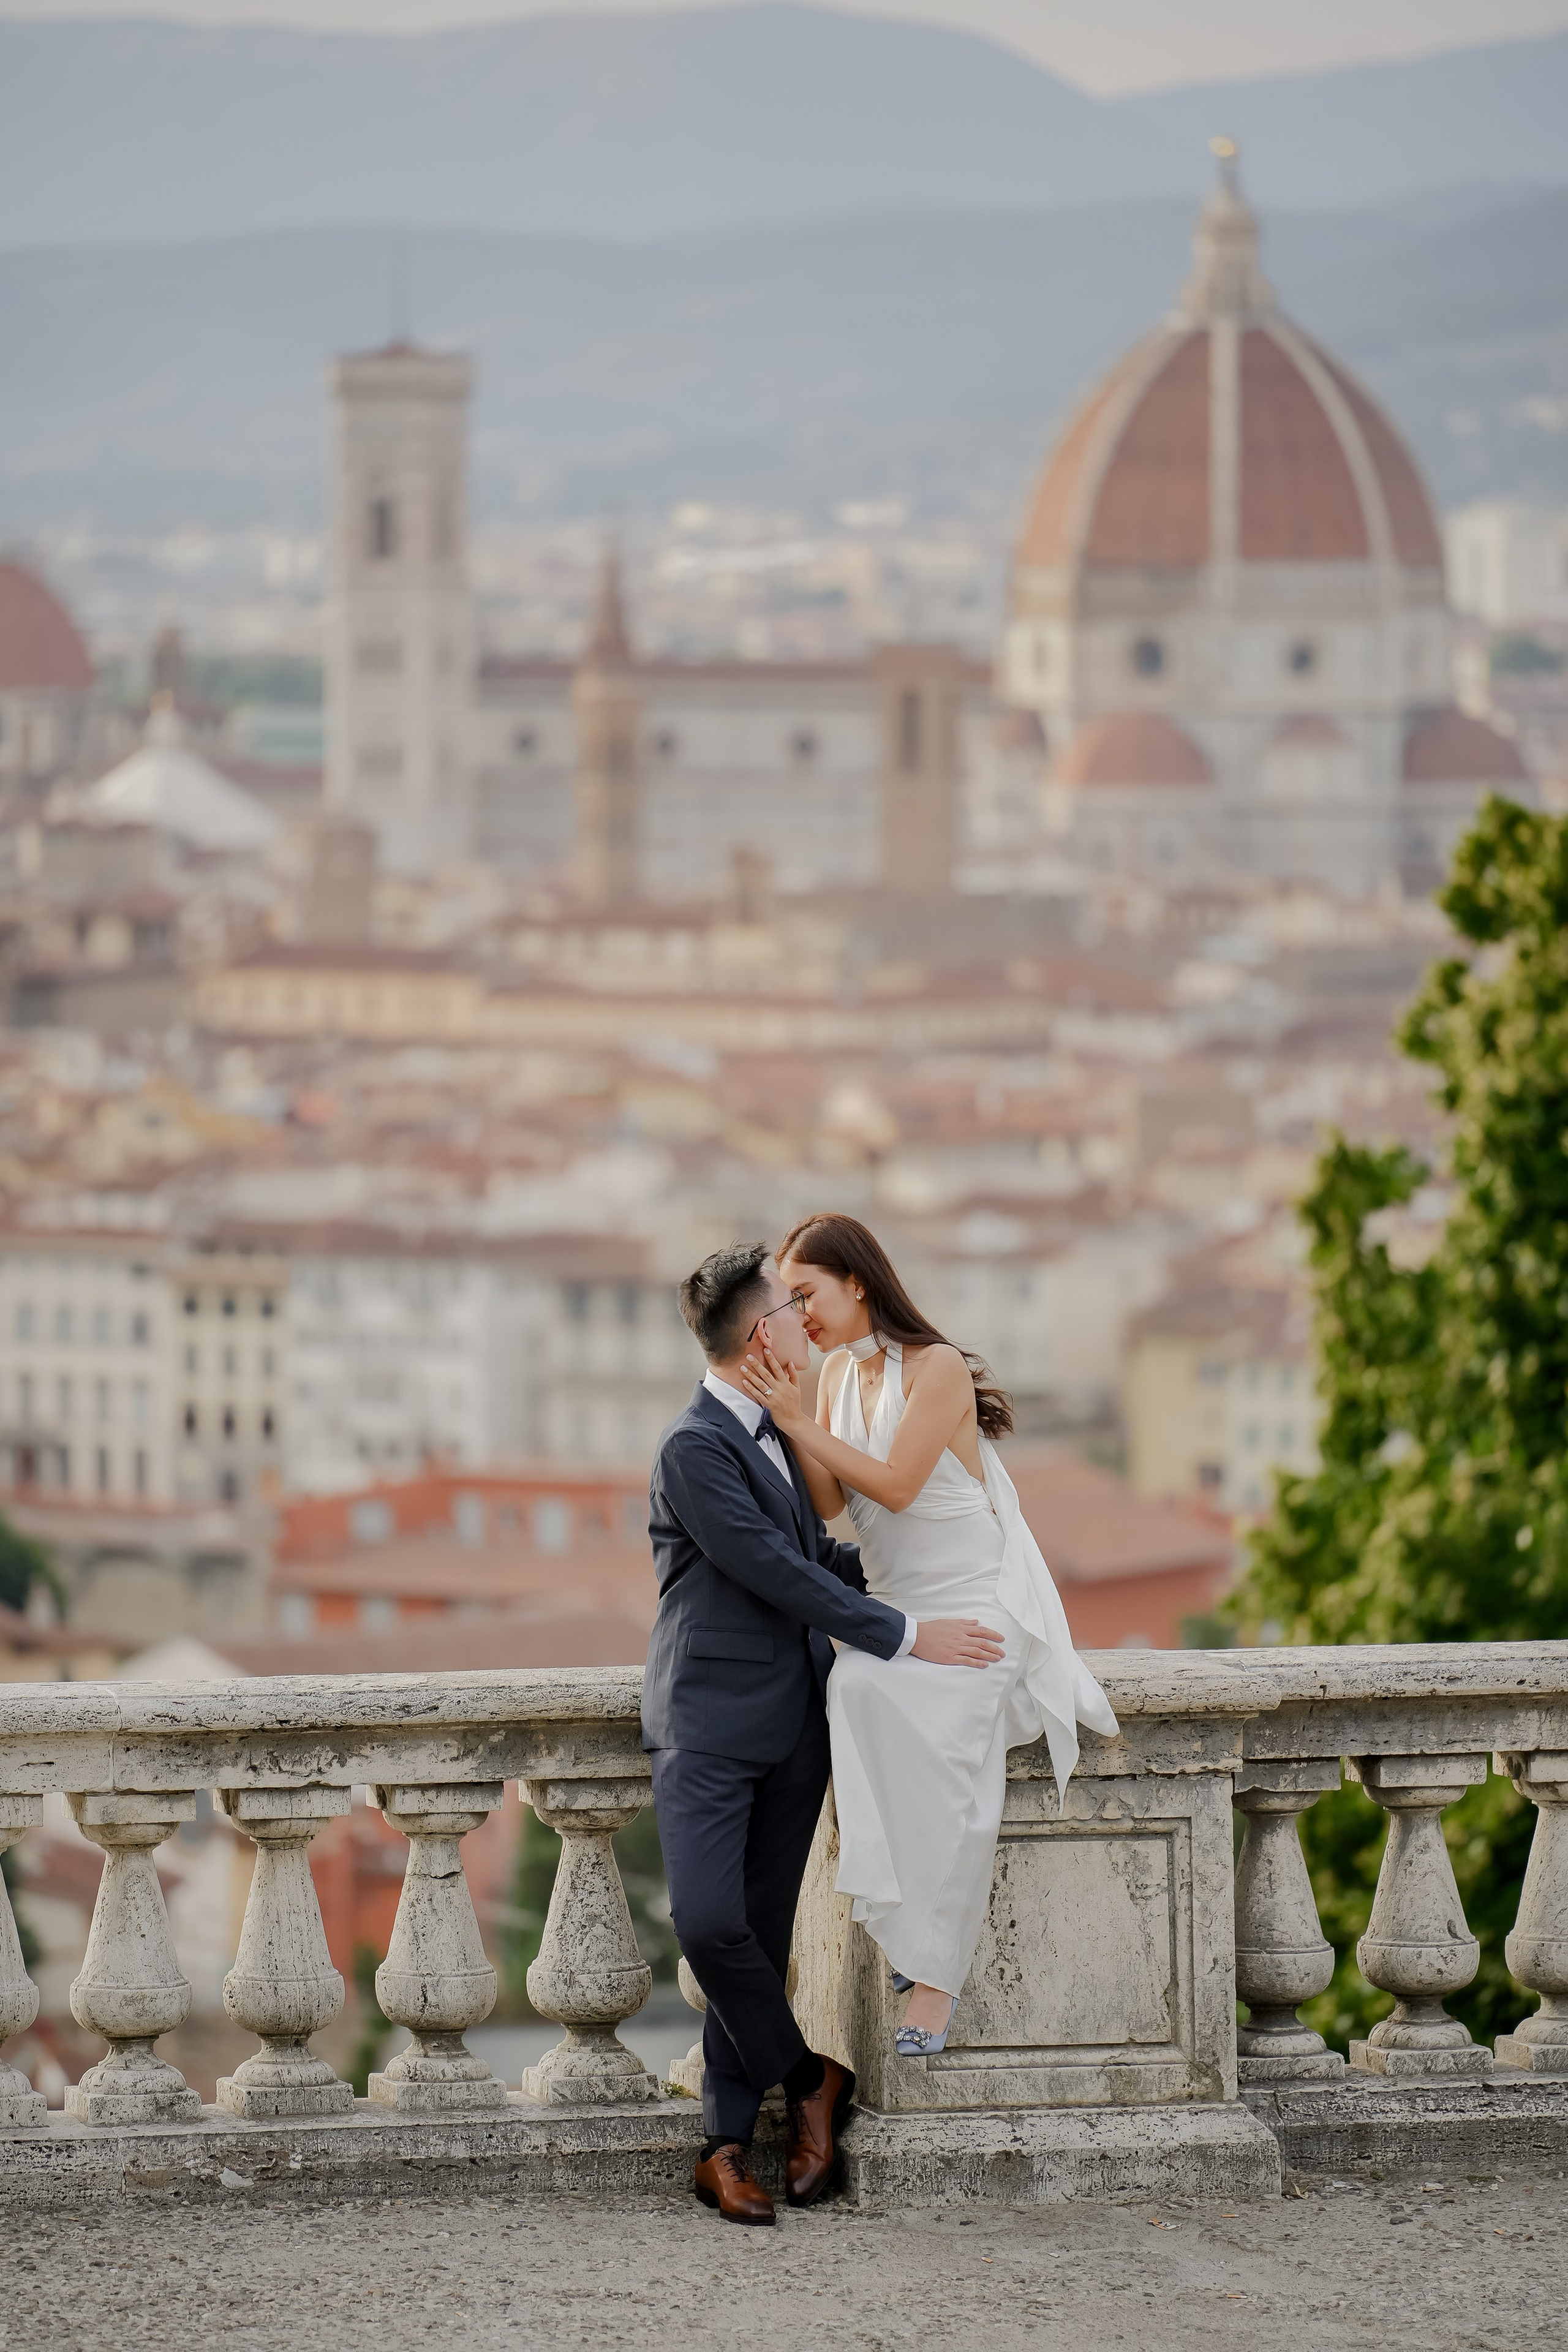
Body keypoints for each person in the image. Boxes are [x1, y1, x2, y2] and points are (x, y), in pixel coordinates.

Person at [644, 1242, 1005, 2225]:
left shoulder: (781, 1429)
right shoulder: (694, 1448)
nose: (807, 1325)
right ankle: (810, 2077)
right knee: (710, 1925)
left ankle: (724, 2144)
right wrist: (908, 1632)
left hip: (796, 1725)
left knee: (757, 1935)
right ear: (761, 1335)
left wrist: (946, 1586)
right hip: (707, 1725)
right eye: (791, 1312)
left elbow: (829, 1558)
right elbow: (776, 1570)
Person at [737, 1212, 1118, 2057]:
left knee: (951, 1749)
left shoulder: (936, 1367)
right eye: (789, 1302)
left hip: (977, 1606)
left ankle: (936, 1978)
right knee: (856, 1687)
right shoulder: (834, 1378)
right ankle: (909, 1929)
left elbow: (901, 1488)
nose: (800, 1316)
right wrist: (799, 1410)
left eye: (808, 1295)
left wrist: (796, 1423)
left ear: (860, 1282)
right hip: (901, 1608)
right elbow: (838, 1507)